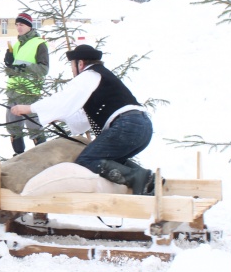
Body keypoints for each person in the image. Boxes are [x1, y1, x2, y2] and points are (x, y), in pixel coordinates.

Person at [10, 44, 155, 195]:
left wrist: (28, 108)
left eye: (72, 65)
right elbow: (83, 118)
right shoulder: (100, 77)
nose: (72, 70)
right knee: (112, 160)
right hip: (142, 127)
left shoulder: (89, 75)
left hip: (128, 126)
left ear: (80, 63)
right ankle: (149, 180)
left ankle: (138, 178)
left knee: (86, 160)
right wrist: (56, 116)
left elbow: (62, 100)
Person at [3, 12, 49, 155]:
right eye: (17, 25)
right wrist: (9, 64)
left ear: (29, 26)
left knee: (34, 128)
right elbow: (13, 71)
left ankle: (42, 158)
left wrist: (23, 67)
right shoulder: (16, 45)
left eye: (21, 25)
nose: (19, 28)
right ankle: (19, 157)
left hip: (30, 93)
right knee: (13, 128)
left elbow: (43, 69)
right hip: (13, 92)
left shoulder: (39, 44)